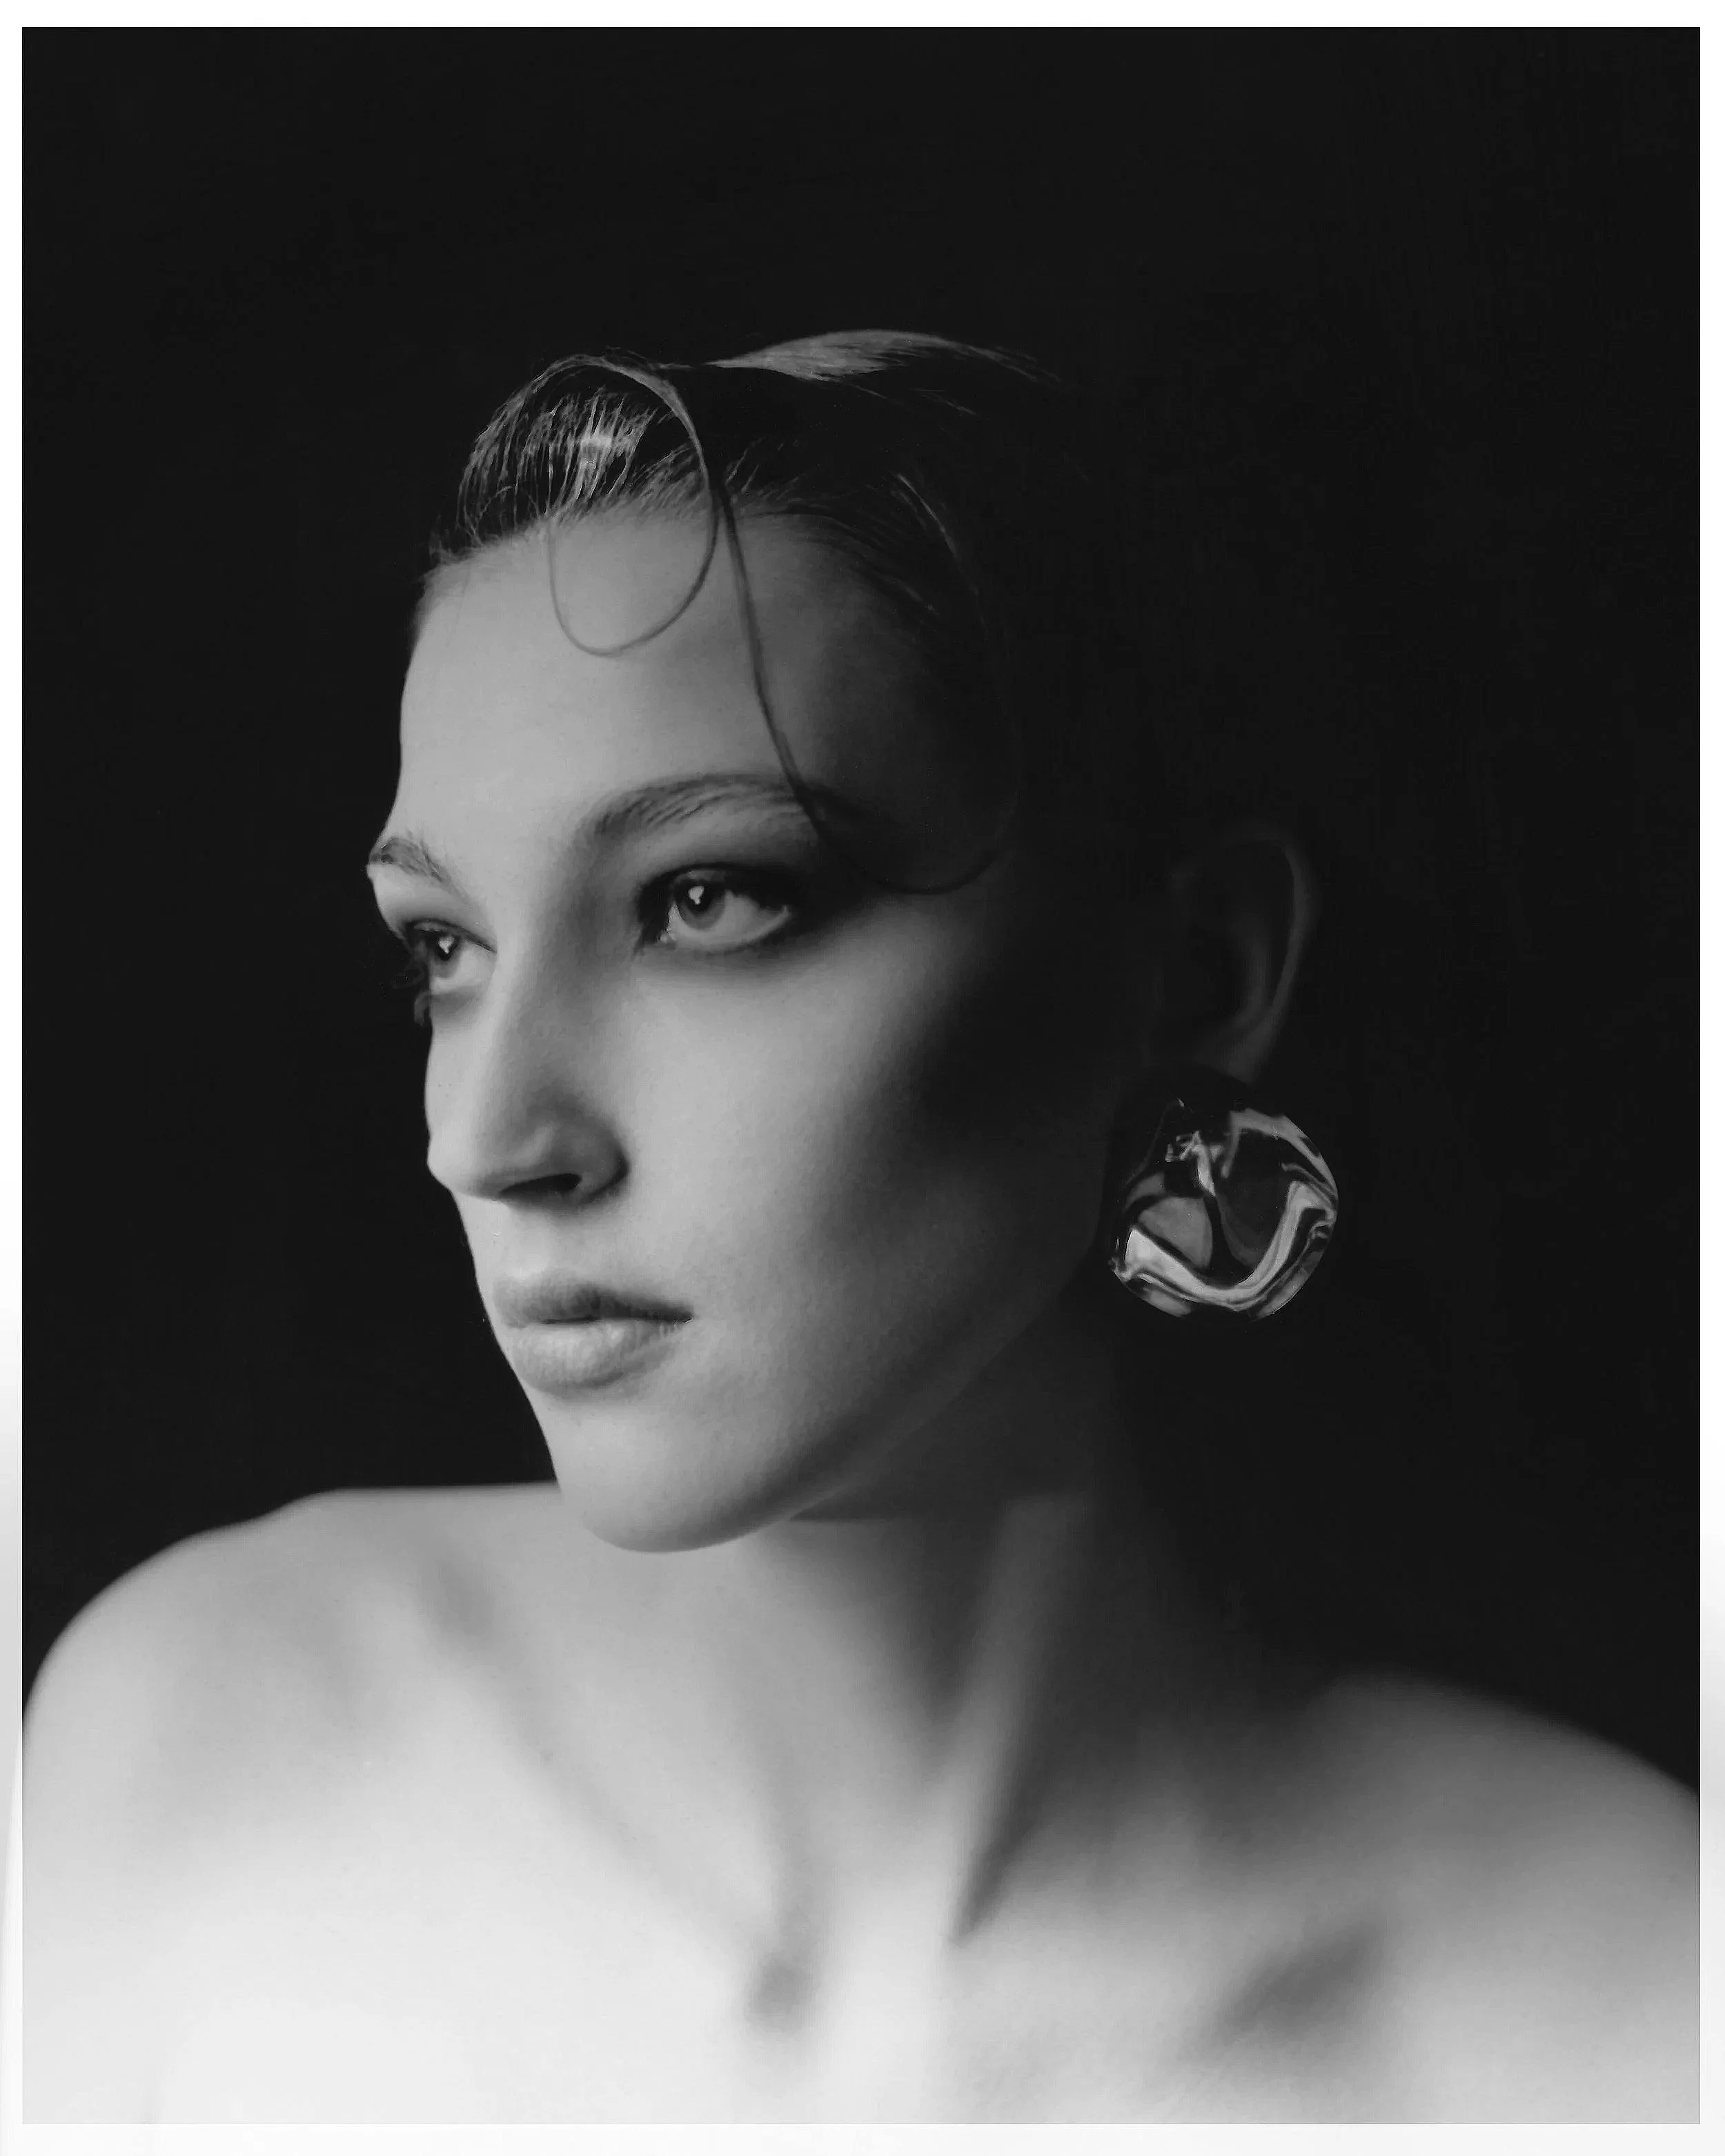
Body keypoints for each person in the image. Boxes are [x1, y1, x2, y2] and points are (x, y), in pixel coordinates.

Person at [19, 333, 1697, 2124]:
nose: (487, 1138)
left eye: (706, 899)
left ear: (1196, 970)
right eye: (444, 948)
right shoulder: (196, 1736)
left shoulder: (1613, 1993)